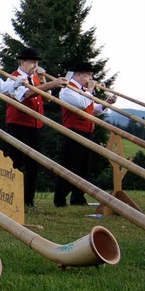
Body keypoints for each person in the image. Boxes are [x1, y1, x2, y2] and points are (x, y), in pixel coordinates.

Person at [4, 47, 68, 208]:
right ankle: (12, 198)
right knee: (15, 163)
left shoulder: (35, 78)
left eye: (37, 62)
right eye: (32, 62)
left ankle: (28, 199)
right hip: (19, 125)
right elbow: (27, 95)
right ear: (22, 62)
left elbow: (47, 100)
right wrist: (52, 83)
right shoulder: (14, 77)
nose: (35, 65)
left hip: (35, 125)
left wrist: (45, 81)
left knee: (34, 164)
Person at [53, 62, 115, 207]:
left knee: (84, 167)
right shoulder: (67, 89)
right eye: (89, 75)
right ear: (80, 75)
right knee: (69, 166)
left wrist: (106, 103)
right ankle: (60, 199)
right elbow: (81, 104)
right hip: (73, 132)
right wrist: (90, 90)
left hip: (87, 131)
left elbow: (92, 110)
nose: (90, 78)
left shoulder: (83, 90)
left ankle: (78, 198)